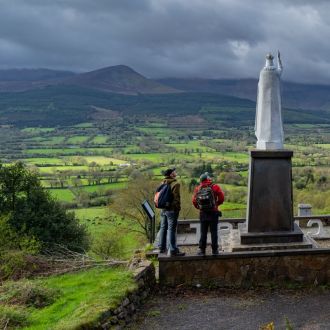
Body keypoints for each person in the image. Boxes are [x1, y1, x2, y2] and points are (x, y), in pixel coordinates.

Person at [192, 172, 225, 256]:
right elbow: (221, 198)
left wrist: (200, 208)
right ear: (208, 179)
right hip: (213, 212)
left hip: (203, 213)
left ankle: (202, 250)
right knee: (214, 232)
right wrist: (216, 204)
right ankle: (215, 250)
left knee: (203, 232)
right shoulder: (215, 187)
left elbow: (194, 201)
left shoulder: (198, 188)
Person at [158, 168, 185, 257]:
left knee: (163, 227)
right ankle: (173, 249)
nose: (176, 173)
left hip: (163, 209)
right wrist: (177, 208)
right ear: (171, 175)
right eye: (174, 172)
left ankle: (161, 247)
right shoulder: (175, 184)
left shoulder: (163, 182)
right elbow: (176, 198)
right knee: (171, 229)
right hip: (171, 210)